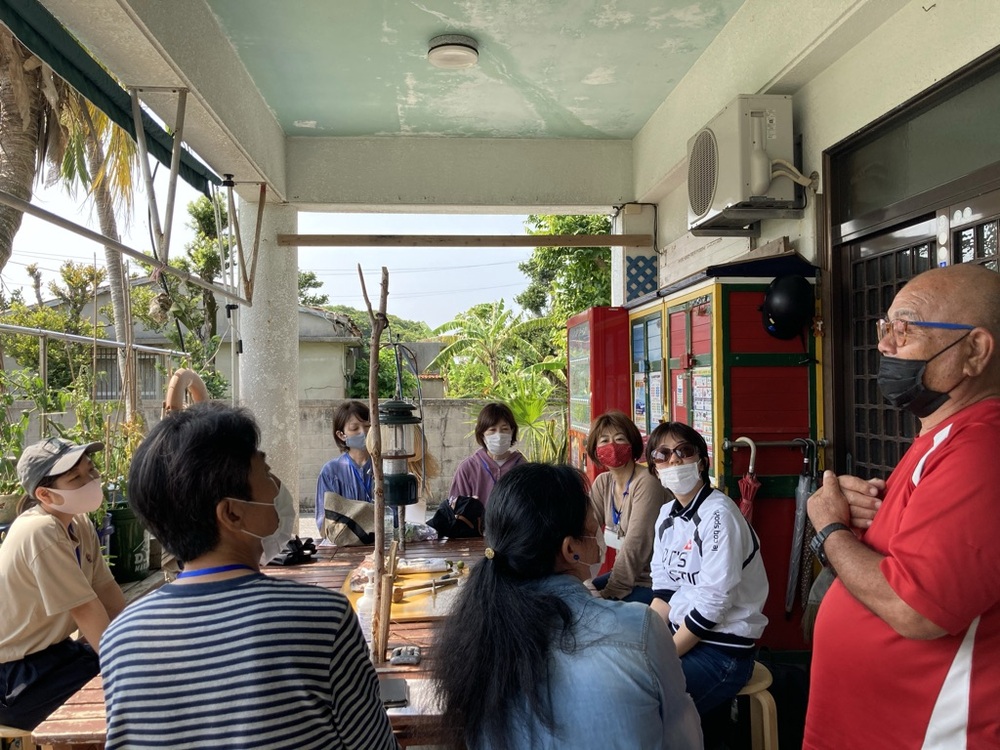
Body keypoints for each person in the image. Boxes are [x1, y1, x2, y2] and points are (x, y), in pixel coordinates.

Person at [100, 402, 397, 749]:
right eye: (267, 474)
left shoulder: (120, 639)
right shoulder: (322, 618)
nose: (277, 488)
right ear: (232, 513)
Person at [804, 264, 1000, 749]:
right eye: (885, 328)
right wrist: (862, 516)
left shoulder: (983, 449)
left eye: (906, 329)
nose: (886, 346)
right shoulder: (942, 438)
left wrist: (829, 531)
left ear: (975, 351)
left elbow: (915, 608)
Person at [432, 462, 702, 749]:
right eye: (593, 531)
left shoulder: (474, 636)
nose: (598, 541)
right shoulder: (640, 630)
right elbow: (684, 740)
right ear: (571, 549)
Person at [0, 437, 125, 730]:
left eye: (90, 470)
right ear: (45, 494)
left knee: (132, 667)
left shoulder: (78, 523)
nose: (90, 480)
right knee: (120, 686)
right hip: (14, 677)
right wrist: (124, 665)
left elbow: (108, 593)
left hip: (53, 655)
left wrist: (132, 641)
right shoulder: (40, 531)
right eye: (75, 478)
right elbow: (86, 610)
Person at [647, 421, 768, 716]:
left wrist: (663, 656)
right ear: (655, 469)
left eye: (684, 451)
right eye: (662, 454)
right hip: (684, 639)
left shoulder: (719, 515)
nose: (674, 460)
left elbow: (713, 604)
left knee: (643, 700)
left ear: (702, 463)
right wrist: (645, 642)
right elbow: (664, 592)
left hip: (722, 652)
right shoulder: (666, 515)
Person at [586, 410, 669, 603]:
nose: (612, 446)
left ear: (632, 444)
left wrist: (611, 593)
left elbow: (636, 543)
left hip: (655, 581)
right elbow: (584, 529)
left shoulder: (647, 481)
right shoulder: (603, 482)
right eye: (604, 441)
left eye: (620, 439)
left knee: (597, 611)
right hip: (627, 576)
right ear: (595, 450)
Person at [448, 402, 525, 504]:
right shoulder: (468, 468)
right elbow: (455, 507)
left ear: (512, 431)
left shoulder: (523, 468)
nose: (499, 435)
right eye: (492, 430)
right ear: (482, 435)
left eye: (505, 429)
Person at [315, 400, 373, 528]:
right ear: (341, 435)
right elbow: (325, 521)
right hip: (346, 539)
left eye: (368, 426)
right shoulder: (331, 472)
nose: (363, 432)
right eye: (354, 428)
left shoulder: (385, 466)